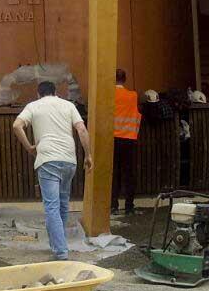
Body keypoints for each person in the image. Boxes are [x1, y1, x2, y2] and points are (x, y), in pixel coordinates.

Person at [12, 80, 92, 260]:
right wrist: (88, 155)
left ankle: (60, 251)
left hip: (47, 160)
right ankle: (58, 244)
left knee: (52, 207)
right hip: (69, 160)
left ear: (38, 94)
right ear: (56, 92)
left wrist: (29, 147)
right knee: (63, 205)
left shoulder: (33, 106)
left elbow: (17, 125)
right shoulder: (68, 105)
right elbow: (81, 129)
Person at [111, 69, 141, 216]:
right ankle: (129, 206)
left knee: (114, 173)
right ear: (125, 79)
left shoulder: (108, 95)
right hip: (129, 139)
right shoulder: (133, 95)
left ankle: (113, 206)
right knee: (129, 173)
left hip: (112, 139)